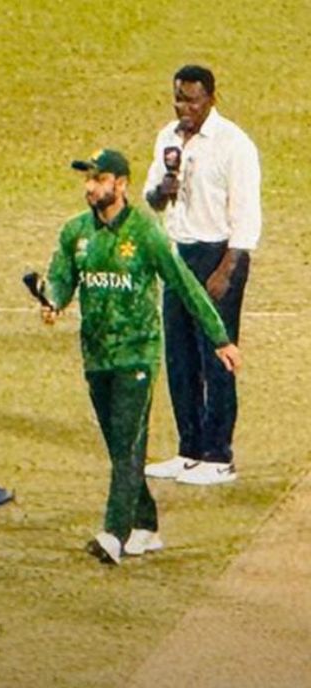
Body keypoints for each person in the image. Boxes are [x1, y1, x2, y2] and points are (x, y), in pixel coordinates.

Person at [41, 149, 242, 565]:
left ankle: (113, 534)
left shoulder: (146, 232)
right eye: (87, 180)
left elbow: (185, 285)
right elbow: (62, 278)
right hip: (96, 355)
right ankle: (146, 525)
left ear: (121, 184)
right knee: (122, 446)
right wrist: (53, 301)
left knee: (127, 441)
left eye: (99, 179)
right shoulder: (75, 231)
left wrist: (220, 338)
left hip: (137, 355)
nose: (90, 187)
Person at [142, 65, 261, 486]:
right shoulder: (167, 138)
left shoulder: (233, 144)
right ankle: (189, 449)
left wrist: (227, 270)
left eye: (192, 100)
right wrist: (163, 191)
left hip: (218, 255)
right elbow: (151, 198)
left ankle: (219, 455)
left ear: (211, 98)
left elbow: (246, 214)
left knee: (216, 356)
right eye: (179, 98)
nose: (184, 107)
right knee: (179, 357)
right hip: (177, 254)